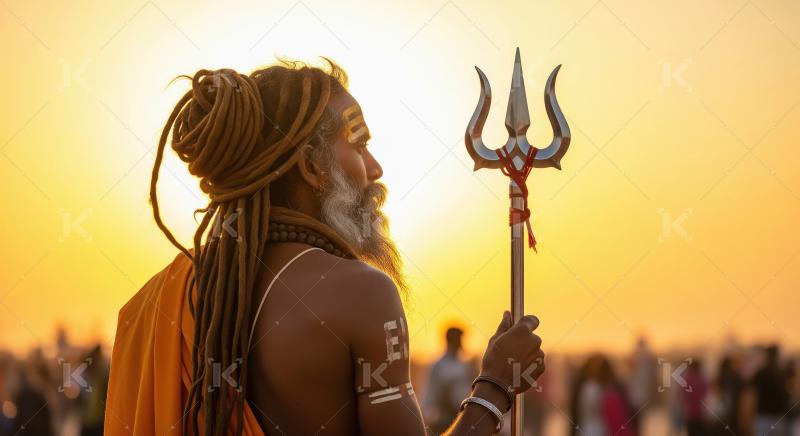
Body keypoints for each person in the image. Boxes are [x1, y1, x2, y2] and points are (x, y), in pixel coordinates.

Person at [104, 58, 546, 435]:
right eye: (360, 145)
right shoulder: (361, 294)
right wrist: (495, 385)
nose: (375, 168)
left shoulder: (157, 303)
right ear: (312, 166)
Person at [422, 327, 476, 433]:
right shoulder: (439, 366)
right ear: (451, 340)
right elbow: (430, 394)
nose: (461, 343)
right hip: (444, 420)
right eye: (458, 339)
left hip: (464, 417)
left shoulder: (466, 366)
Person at [752, 345, 790, 436]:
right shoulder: (782, 372)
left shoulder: (761, 373)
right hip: (777, 418)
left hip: (763, 417)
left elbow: (752, 395)